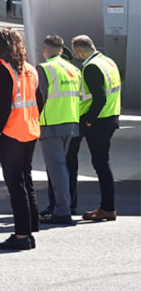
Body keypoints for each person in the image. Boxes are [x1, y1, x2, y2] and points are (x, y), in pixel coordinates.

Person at [0, 27, 43, 250]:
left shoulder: (5, 69)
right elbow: (39, 100)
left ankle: (22, 235)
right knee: (26, 178)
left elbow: (4, 104)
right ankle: (31, 227)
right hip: (29, 131)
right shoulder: (30, 69)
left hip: (11, 133)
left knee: (15, 184)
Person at [72, 34, 121, 222]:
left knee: (101, 164)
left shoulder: (91, 67)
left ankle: (107, 208)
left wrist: (89, 120)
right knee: (103, 163)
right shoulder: (108, 61)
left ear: (79, 53)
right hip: (111, 116)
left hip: (100, 121)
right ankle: (107, 206)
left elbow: (100, 98)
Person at [36, 35, 81, 225]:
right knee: (63, 167)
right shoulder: (74, 69)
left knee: (57, 169)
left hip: (51, 123)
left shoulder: (45, 68)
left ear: (45, 50)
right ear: (62, 50)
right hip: (71, 122)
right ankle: (65, 206)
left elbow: (39, 98)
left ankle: (62, 211)